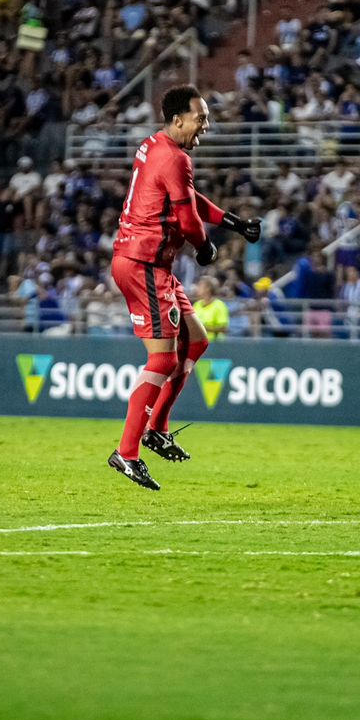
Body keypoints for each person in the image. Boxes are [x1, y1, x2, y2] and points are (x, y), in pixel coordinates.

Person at [106, 85, 261, 491]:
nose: (205, 126)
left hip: (149, 262)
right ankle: (127, 452)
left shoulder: (157, 148)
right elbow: (189, 220)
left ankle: (156, 426)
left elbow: (188, 200)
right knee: (160, 360)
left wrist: (233, 223)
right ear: (179, 119)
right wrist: (205, 247)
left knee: (195, 342)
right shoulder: (176, 157)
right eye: (201, 118)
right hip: (144, 264)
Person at [192, 276, 230, 341]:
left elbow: (223, 328)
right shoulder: (196, 305)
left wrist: (203, 328)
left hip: (214, 345)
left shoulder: (219, 305)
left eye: (200, 286)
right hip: (199, 343)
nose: (197, 288)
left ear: (208, 288)